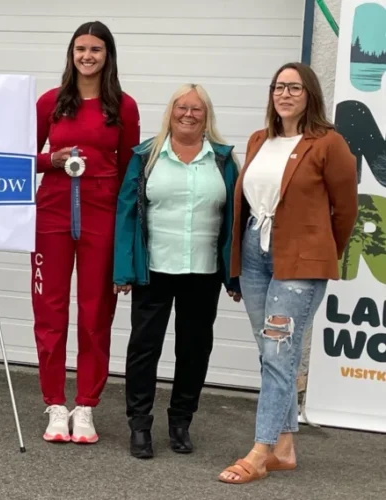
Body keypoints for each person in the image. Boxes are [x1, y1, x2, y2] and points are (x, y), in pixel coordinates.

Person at [218, 62, 358, 484]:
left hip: (300, 263)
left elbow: (345, 210)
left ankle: (259, 452)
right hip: (256, 257)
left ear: (310, 94)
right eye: (279, 87)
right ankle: (284, 448)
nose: (285, 94)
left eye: (294, 87)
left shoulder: (329, 143)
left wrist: (319, 250)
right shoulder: (261, 139)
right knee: (272, 354)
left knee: (279, 353)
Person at [113, 83, 241, 459]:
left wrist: (233, 275)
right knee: (143, 349)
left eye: (196, 109)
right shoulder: (146, 156)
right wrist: (123, 269)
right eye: (181, 107)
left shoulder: (223, 160)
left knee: (195, 349)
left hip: (203, 272)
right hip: (154, 270)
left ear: (207, 116)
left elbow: (235, 220)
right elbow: (126, 215)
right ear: (170, 112)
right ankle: (139, 425)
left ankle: (181, 421)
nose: (188, 114)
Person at [33, 20, 141, 444]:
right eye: (80, 49)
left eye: (96, 49)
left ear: (107, 55)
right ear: (71, 54)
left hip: (102, 217)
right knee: (51, 312)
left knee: (96, 314)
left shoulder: (124, 106)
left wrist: (129, 231)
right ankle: (55, 405)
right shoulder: (51, 102)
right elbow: (22, 156)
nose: (87, 56)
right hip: (52, 214)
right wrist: (51, 161)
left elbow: (132, 168)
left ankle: (86, 406)